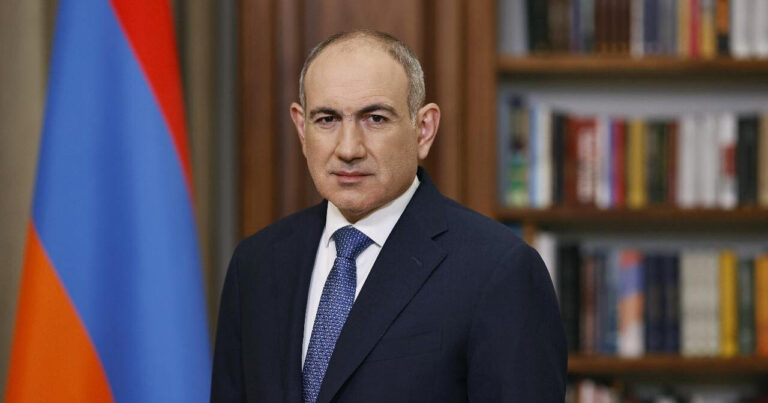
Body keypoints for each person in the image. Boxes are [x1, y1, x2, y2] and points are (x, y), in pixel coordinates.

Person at [211, 30, 566, 403]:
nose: (349, 149)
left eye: (375, 119)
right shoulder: (256, 264)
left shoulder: (499, 269)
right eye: (327, 119)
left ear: (423, 130)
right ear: (302, 129)